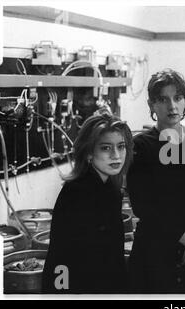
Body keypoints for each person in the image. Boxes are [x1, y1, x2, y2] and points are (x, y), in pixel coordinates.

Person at [127, 69, 185, 293]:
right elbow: (143, 205)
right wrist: (184, 238)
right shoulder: (141, 146)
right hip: (155, 250)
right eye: (163, 100)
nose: (172, 106)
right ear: (151, 105)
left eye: (177, 98)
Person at [42, 112, 134, 293]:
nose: (116, 155)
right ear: (89, 153)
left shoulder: (109, 187)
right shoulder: (78, 192)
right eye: (106, 148)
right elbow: (61, 259)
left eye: (121, 146)